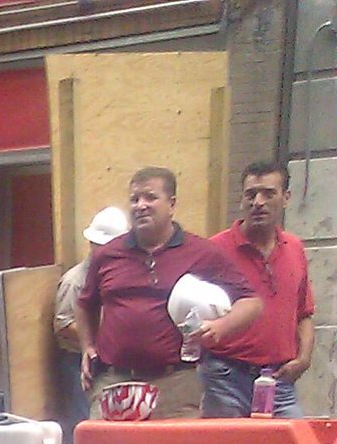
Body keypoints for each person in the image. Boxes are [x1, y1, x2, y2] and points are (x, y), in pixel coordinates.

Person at [75, 166, 260, 420]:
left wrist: (221, 327)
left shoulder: (202, 252)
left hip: (176, 385)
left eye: (150, 197)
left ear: (171, 204)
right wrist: (88, 346)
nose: (141, 205)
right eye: (134, 199)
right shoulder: (107, 254)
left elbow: (251, 302)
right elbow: (85, 304)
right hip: (114, 382)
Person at [202, 160, 316, 417]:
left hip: (279, 380)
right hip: (225, 379)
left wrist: (304, 359)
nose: (258, 202)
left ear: (286, 198)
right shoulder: (213, 251)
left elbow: (305, 312)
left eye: (268, 193)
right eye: (250, 194)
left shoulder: (295, 248)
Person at [53, 205, 128, 444]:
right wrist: (101, 337)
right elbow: (63, 324)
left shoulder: (115, 275)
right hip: (76, 361)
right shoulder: (75, 281)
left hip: (103, 360)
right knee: (82, 423)